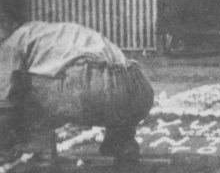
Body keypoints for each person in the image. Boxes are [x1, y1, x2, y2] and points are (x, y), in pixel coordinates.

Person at [0, 19, 154, 164]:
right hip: (138, 90)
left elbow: (5, 102)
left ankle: (40, 147)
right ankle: (123, 143)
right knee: (107, 77)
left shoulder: (13, 42)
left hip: (93, 89)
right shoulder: (49, 31)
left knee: (19, 86)